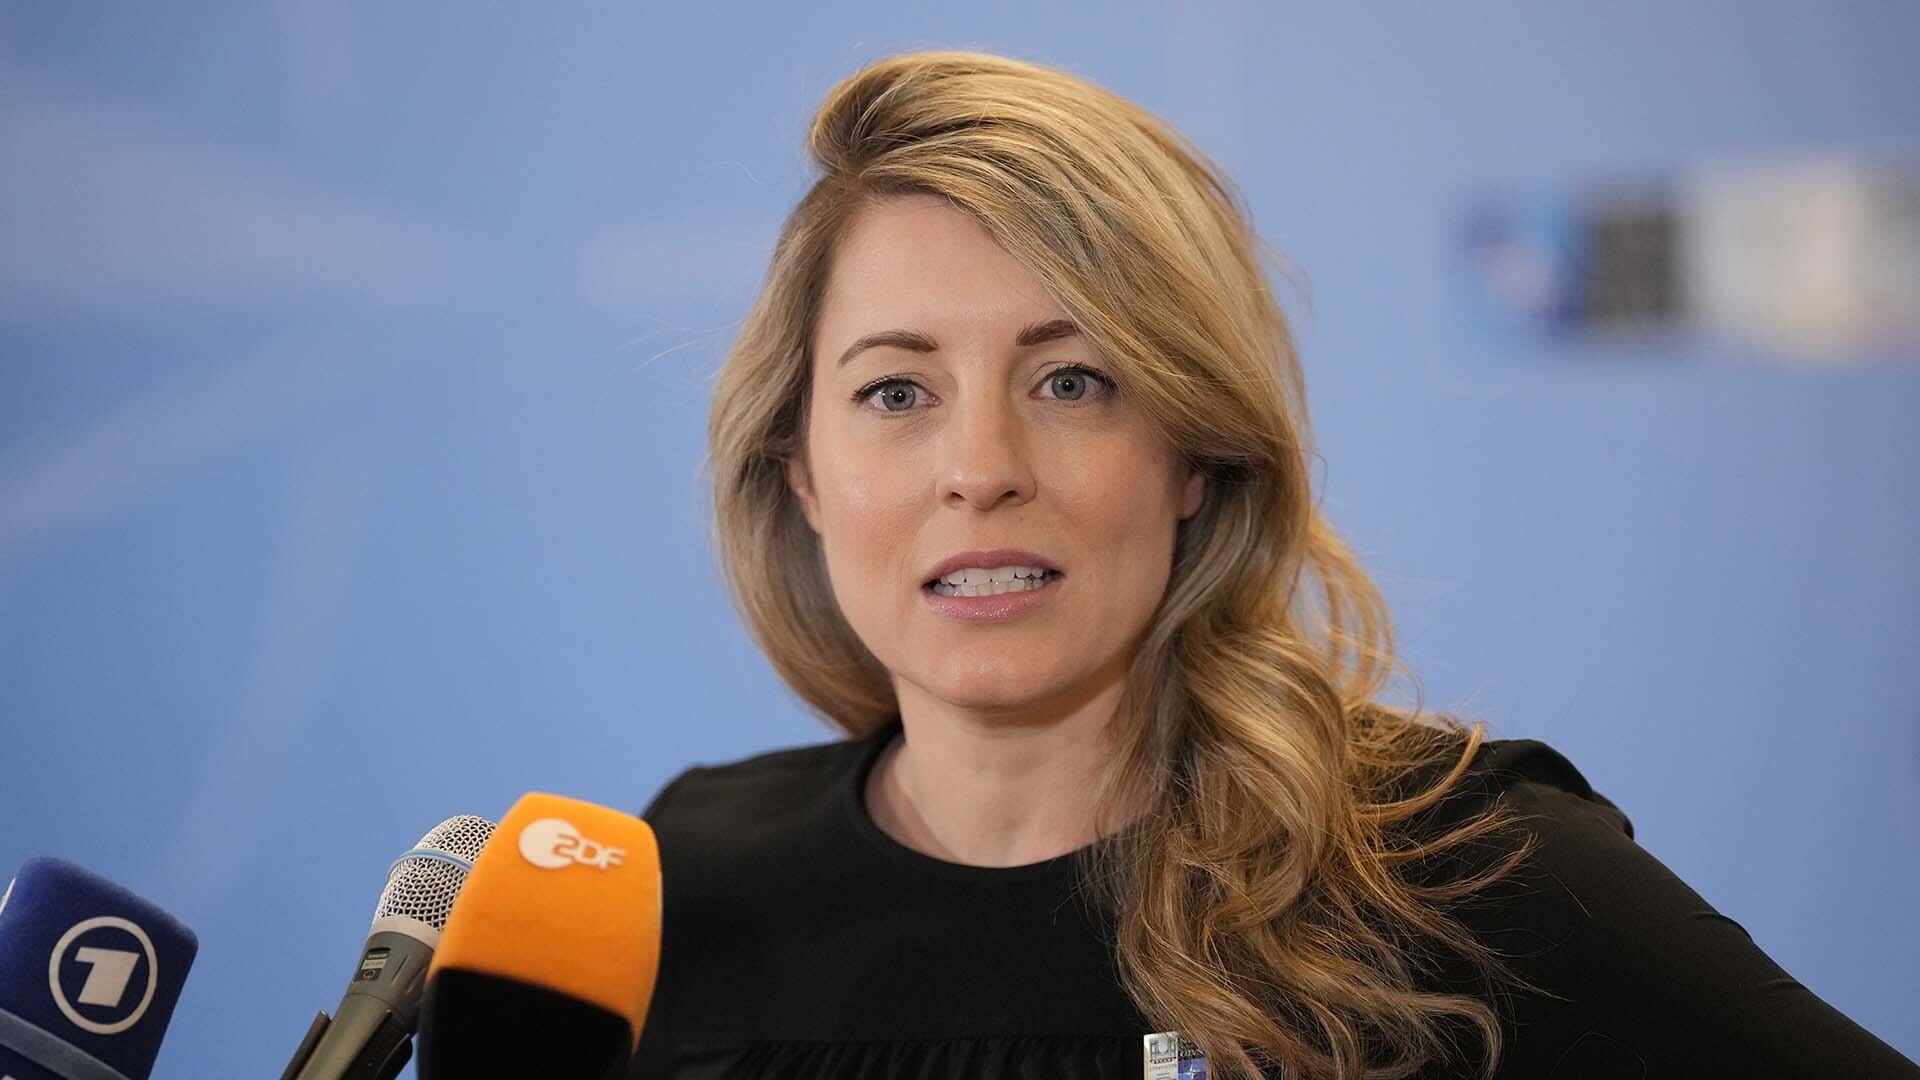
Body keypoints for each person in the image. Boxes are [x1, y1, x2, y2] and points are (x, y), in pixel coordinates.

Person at [627, 50, 1919, 1079]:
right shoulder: (672, 887)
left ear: (1196, 454)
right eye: (897, 392)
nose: (981, 468)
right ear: (800, 471)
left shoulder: (1465, 871)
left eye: (1072, 381)